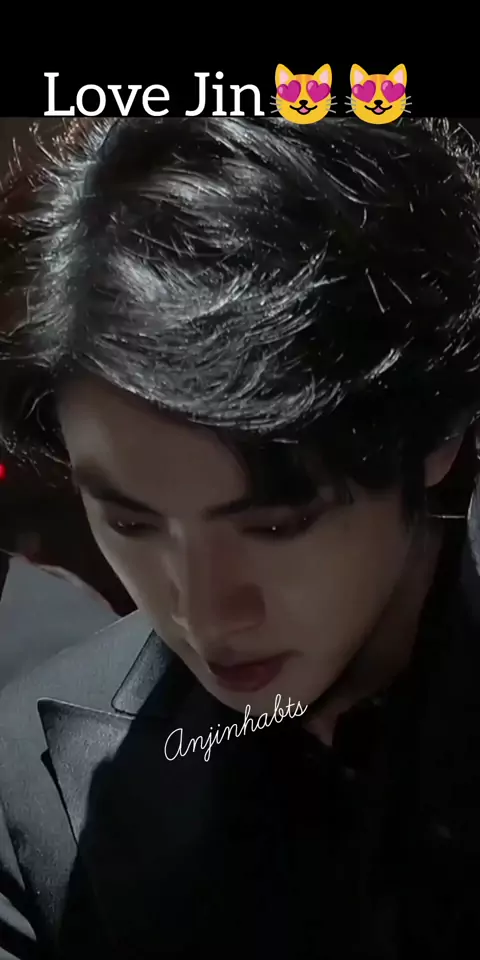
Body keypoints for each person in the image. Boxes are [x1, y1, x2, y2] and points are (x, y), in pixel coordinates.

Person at [0, 116, 480, 958]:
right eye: (131, 521)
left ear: (434, 434)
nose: (202, 610)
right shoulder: (26, 782)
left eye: (274, 524)